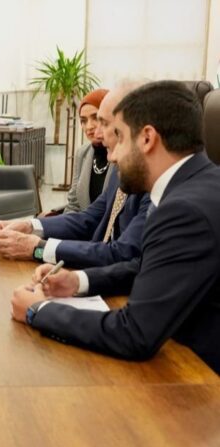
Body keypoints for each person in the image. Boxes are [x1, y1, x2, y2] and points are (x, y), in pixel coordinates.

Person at [11, 80, 220, 374]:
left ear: (147, 138)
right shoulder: (200, 184)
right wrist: (79, 281)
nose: (111, 155)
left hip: (199, 379)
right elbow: (147, 267)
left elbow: (134, 333)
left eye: (119, 136)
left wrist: (39, 310)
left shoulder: (183, 210)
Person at [0, 85, 150, 269]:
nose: (95, 131)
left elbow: (121, 254)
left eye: (103, 123)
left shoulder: (155, 190)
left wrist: (38, 248)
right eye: (84, 121)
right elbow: (88, 218)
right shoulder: (111, 167)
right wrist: (30, 226)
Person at [63, 88, 111, 214]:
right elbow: (74, 205)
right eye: (83, 121)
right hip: (84, 225)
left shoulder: (123, 155)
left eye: (96, 117)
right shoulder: (82, 153)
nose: (89, 126)